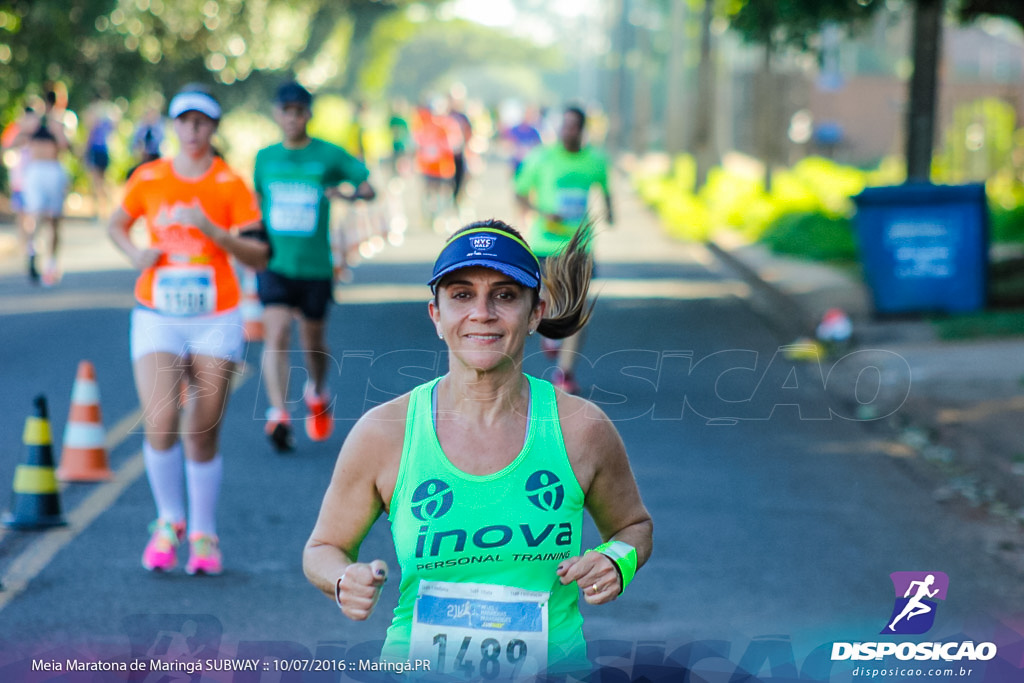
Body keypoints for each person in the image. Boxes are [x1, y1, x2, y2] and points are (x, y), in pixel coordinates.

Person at [303, 219, 652, 678]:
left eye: (505, 295)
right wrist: (344, 578)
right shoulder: (385, 432)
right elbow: (324, 547)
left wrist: (616, 560)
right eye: (462, 294)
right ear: (436, 315)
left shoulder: (580, 428)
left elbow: (633, 527)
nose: (482, 312)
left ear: (535, 314)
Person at [107, 84, 269, 576]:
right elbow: (116, 223)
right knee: (159, 422)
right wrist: (136, 254)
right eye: (184, 121)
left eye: (201, 122)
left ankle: (203, 532)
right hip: (157, 314)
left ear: (213, 129)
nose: (192, 130)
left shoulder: (230, 184)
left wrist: (213, 230)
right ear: (174, 127)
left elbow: (259, 254)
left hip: (216, 317)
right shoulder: (149, 177)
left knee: (201, 429)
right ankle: (168, 520)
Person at [253, 81, 376, 452]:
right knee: (274, 335)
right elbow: (258, 204)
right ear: (276, 114)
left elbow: (369, 188)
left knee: (313, 344)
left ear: (308, 114)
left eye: (299, 111)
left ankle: (318, 392)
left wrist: (346, 193)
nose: (292, 118)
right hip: (275, 263)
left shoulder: (328, 155)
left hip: (315, 268)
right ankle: (278, 413)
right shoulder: (264, 158)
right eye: (285, 111)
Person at [515, 105, 613, 394]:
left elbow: (605, 190)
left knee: (578, 308)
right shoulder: (541, 158)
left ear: (582, 129)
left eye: (574, 126)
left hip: (580, 246)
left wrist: (610, 211)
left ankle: (565, 373)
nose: (568, 131)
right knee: (547, 301)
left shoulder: (595, 160)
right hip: (545, 242)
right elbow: (520, 192)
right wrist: (542, 213)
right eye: (565, 125)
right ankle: (550, 330)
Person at [11, 87, 72, 285]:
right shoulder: (35, 122)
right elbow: (15, 142)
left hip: (49, 169)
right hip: (39, 170)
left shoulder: (57, 122)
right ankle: (34, 253)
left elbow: (65, 146)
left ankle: (48, 262)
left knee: (51, 218)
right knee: (38, 216)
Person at [83, 89, 117, 220]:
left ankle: (97, 212)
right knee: (103, 181)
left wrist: (85, 149)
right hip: (106, 149)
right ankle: (108, 209)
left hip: (95, 149)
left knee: (96, 182)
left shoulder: (93, 113)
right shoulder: (109, 114)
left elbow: (90, 134)